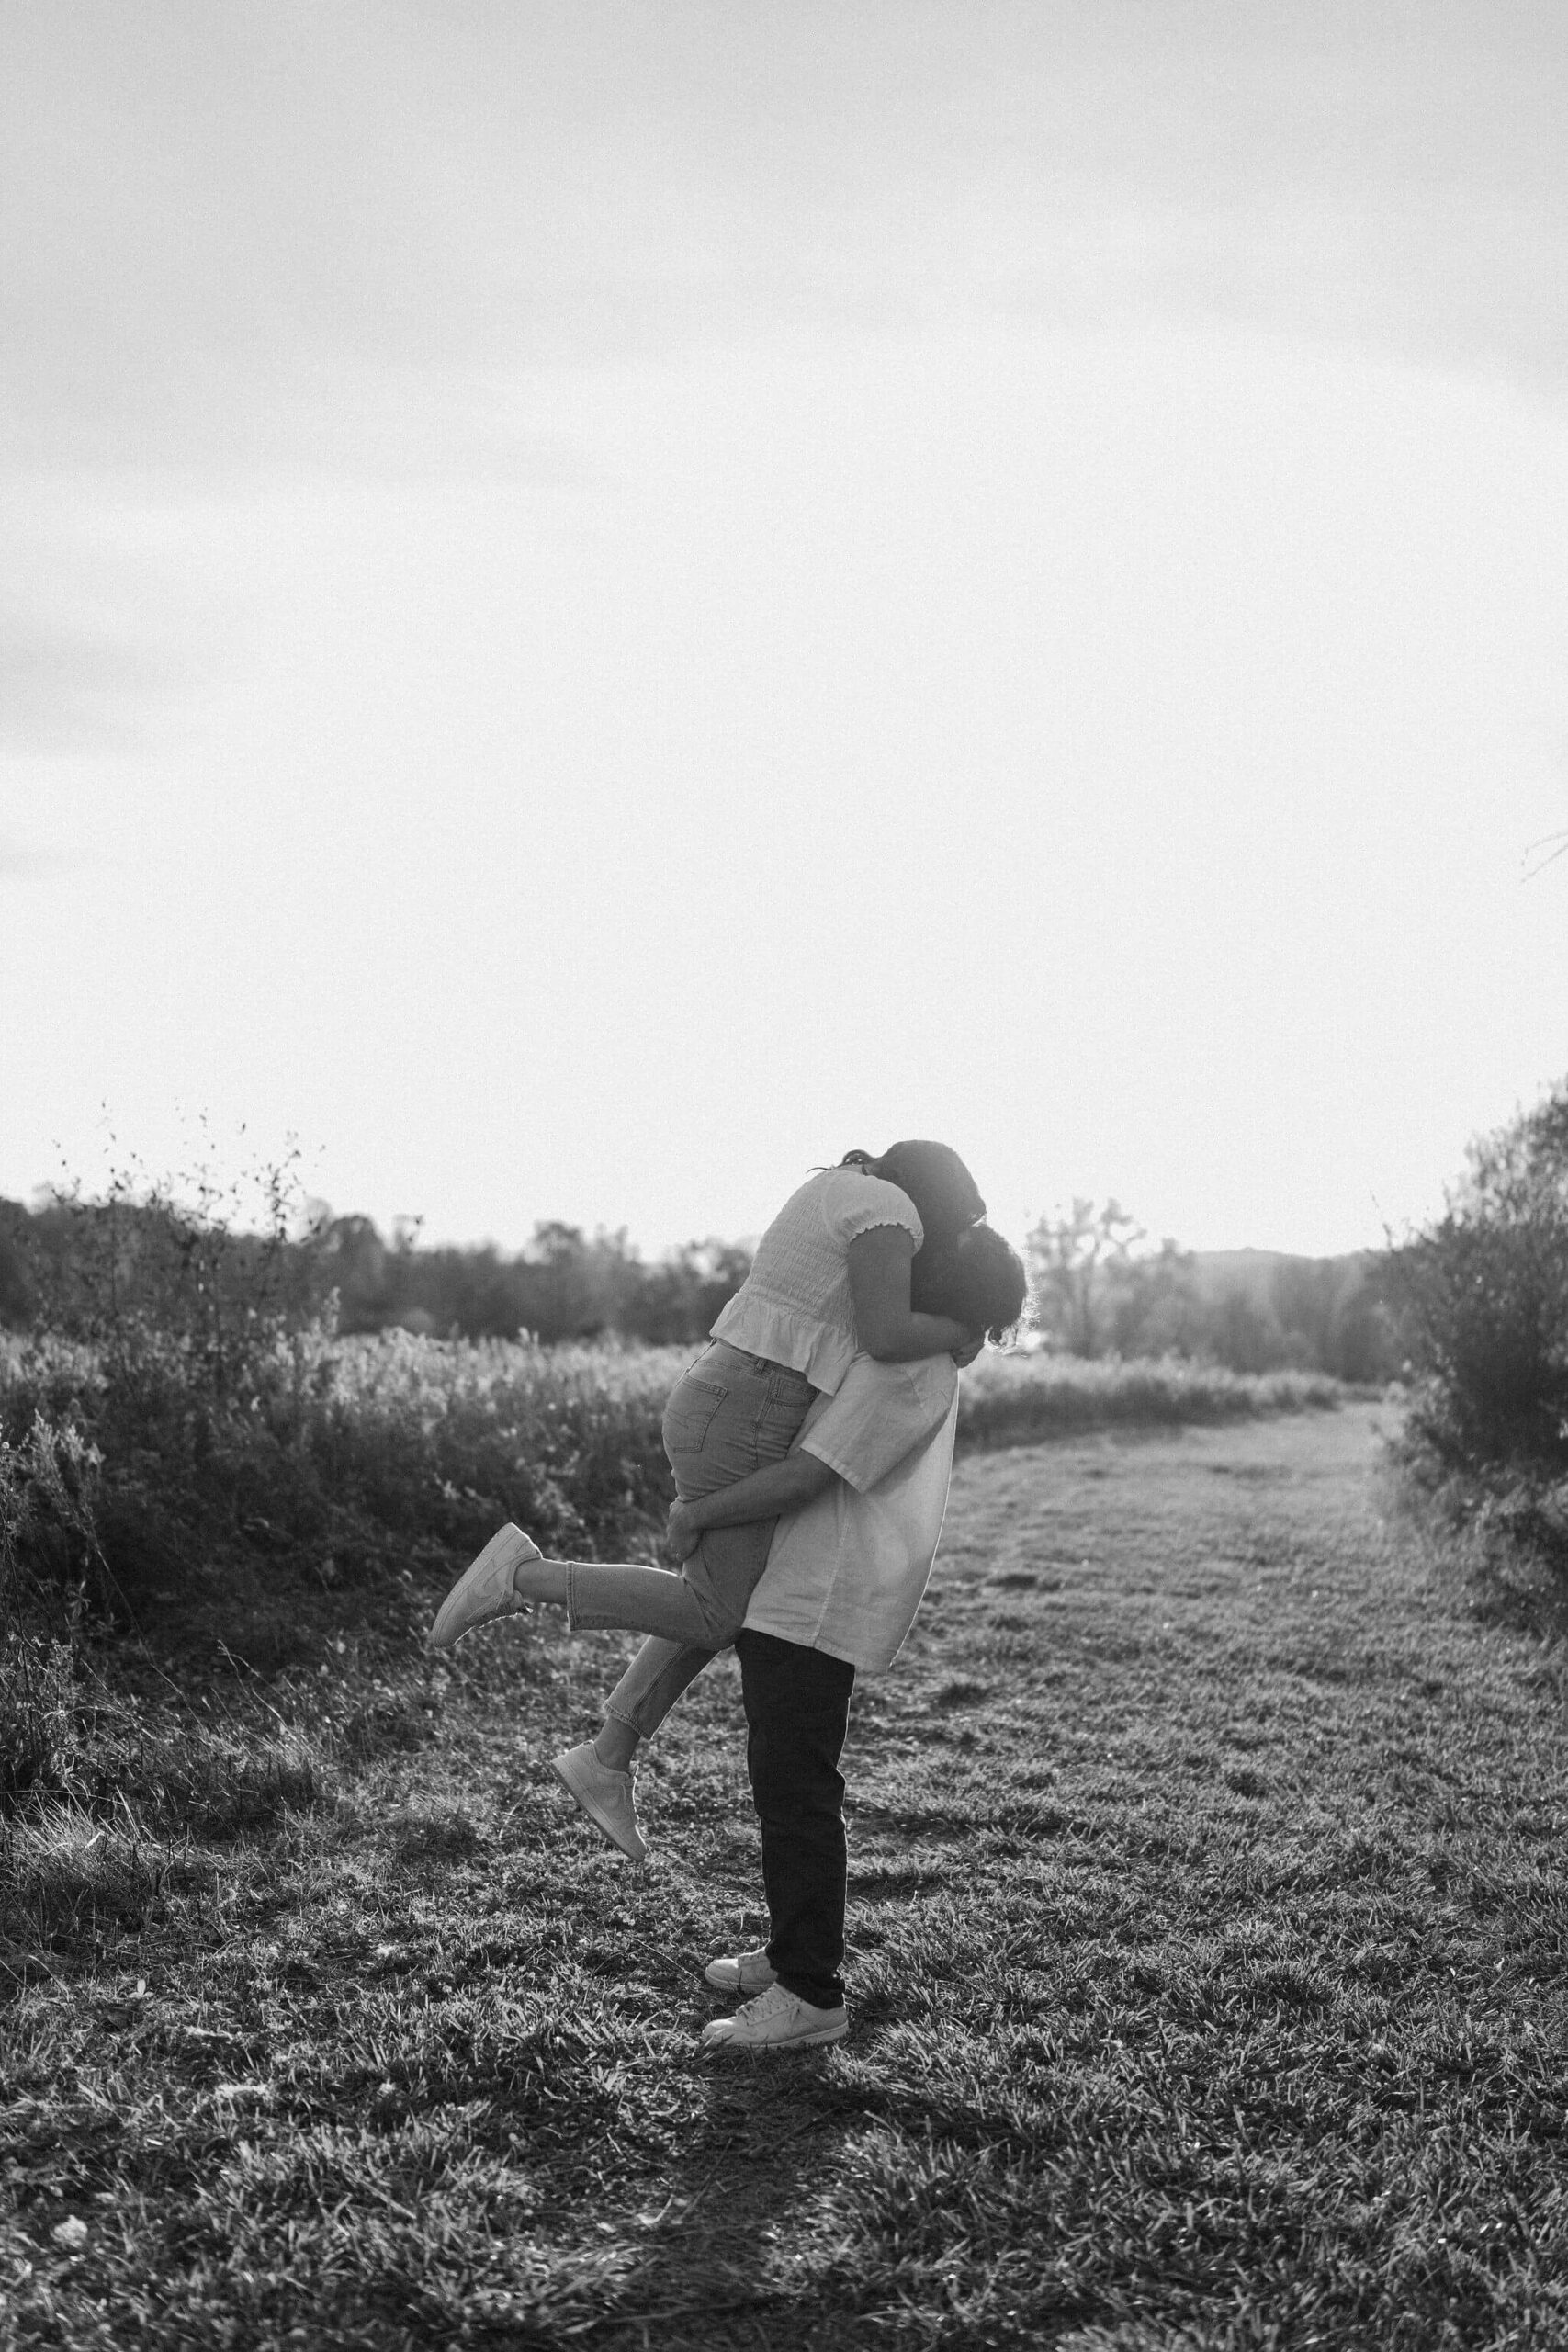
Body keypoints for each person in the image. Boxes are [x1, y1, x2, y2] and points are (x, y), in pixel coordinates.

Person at [430, 1143, 987, 1857]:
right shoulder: (890, 1212)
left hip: (734, 1394)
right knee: (716, 1611)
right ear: (932, 1197)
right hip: (751, 1405)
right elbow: (884, 1335)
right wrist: (962, 1330)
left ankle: (608, 1756)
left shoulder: (841, 1191)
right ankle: (523, 1578)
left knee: (720, 1598)